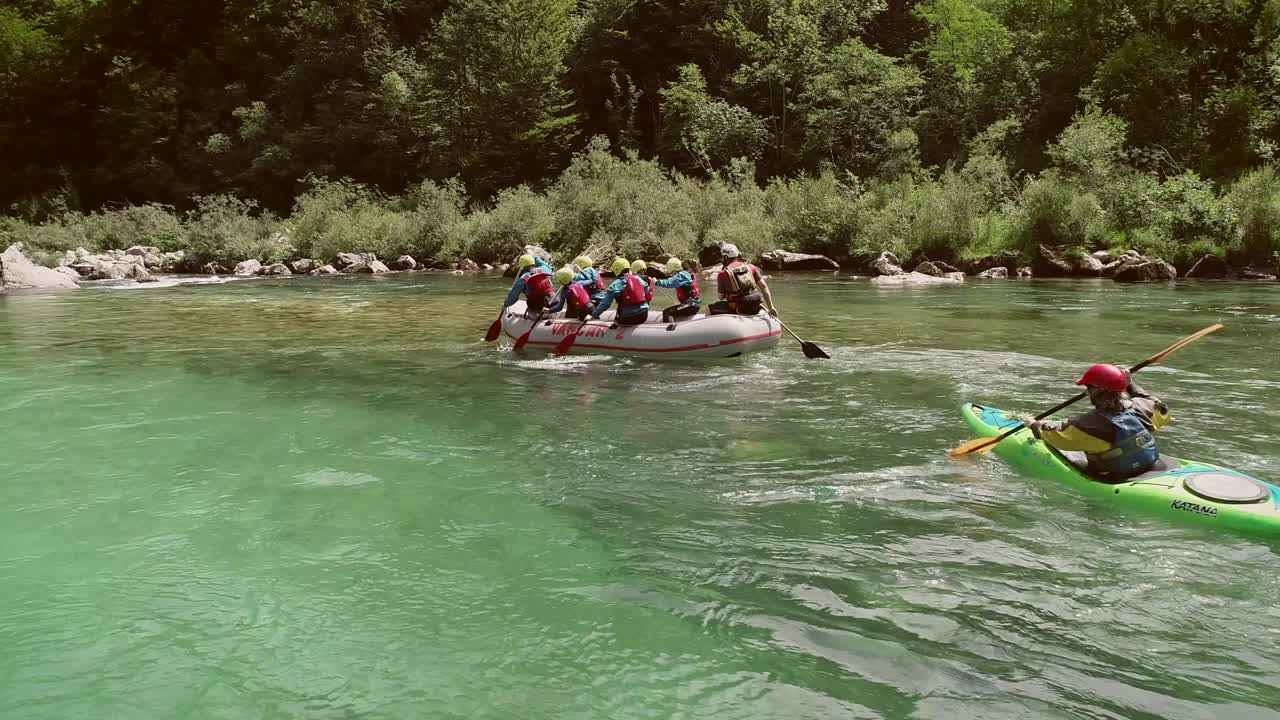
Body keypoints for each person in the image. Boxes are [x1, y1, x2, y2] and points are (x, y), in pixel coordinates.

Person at [1024, 364, 1170, 480]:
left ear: (1095, 391)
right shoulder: (1142, 407)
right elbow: (1161, 408)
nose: (1086, 392)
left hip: (1115, 475)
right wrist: (1130, 385)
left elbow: (1059, 433)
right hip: (1151, 464)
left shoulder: (1089, 425)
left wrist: (1034, 425)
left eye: (1088, 388)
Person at [708, 243, 777, 317]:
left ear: (725, 257)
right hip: (755, 305)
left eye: (722, 257)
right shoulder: (751, 267)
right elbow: (764, 287)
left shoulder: (723, 274)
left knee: (709, 308)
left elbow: (721, 297)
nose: (721, 259)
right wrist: (771, 307)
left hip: (739, 308)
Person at [588, 257, 651, 326]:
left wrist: (593, 315)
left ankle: (616, 325)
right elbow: (647, 293)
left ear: (616, 270)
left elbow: (605, 304)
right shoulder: (639, 279)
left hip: (627, 318)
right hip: (644, 315)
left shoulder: (615, 284)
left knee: (620, 312)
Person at [655, 257, 701, 322]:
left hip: (690, 305)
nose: (672, 275)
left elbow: (669, 283)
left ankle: (669, 328)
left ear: (673, 270)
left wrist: (657, 282)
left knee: (667, 312)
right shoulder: (686, 274)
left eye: (671, 273)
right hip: (692, 305)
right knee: (674, 309)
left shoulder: (681, 275)